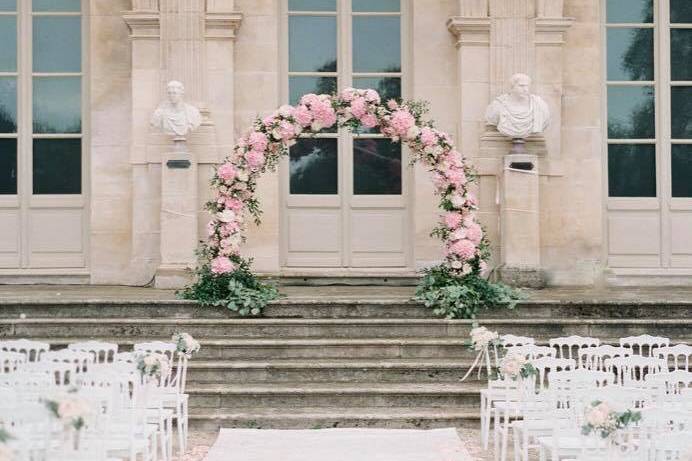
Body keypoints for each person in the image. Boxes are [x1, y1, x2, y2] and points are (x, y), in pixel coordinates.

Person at [485, 73, 550, 139]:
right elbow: (492, 122)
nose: (525, 89)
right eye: (521, 86)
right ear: (512, 87)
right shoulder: (498, 105)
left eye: (527, 86)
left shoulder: (539, 104)